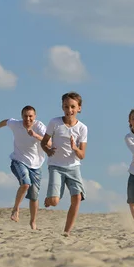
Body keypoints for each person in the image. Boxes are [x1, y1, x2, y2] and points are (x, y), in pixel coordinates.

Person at [0, 105, 47, 229]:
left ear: (34, 117)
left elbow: (48, 142)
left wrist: (35, 135)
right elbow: (6, 122)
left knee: (34, 195)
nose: (28, 119)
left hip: (36, 165)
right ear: (22, 117)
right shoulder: (16, 124)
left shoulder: (40, 126)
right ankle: (16, 209)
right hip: (18, 160)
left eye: (30, 116)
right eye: (25, 116)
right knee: (26, 183)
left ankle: (33, 222)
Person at [40, 92, 88, 236]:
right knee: (54, 201)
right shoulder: (54, 123)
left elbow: (82, 155)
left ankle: (67, 231)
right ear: (62, 107)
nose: (69, 110)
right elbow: (43, 142)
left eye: (73, 107)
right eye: (66, 106)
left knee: (77, 197)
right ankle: (50, 199)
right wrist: (47, 151)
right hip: (56, 166)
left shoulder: (82, 128)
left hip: (74, 167)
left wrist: (75, 148)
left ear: (79, 108)